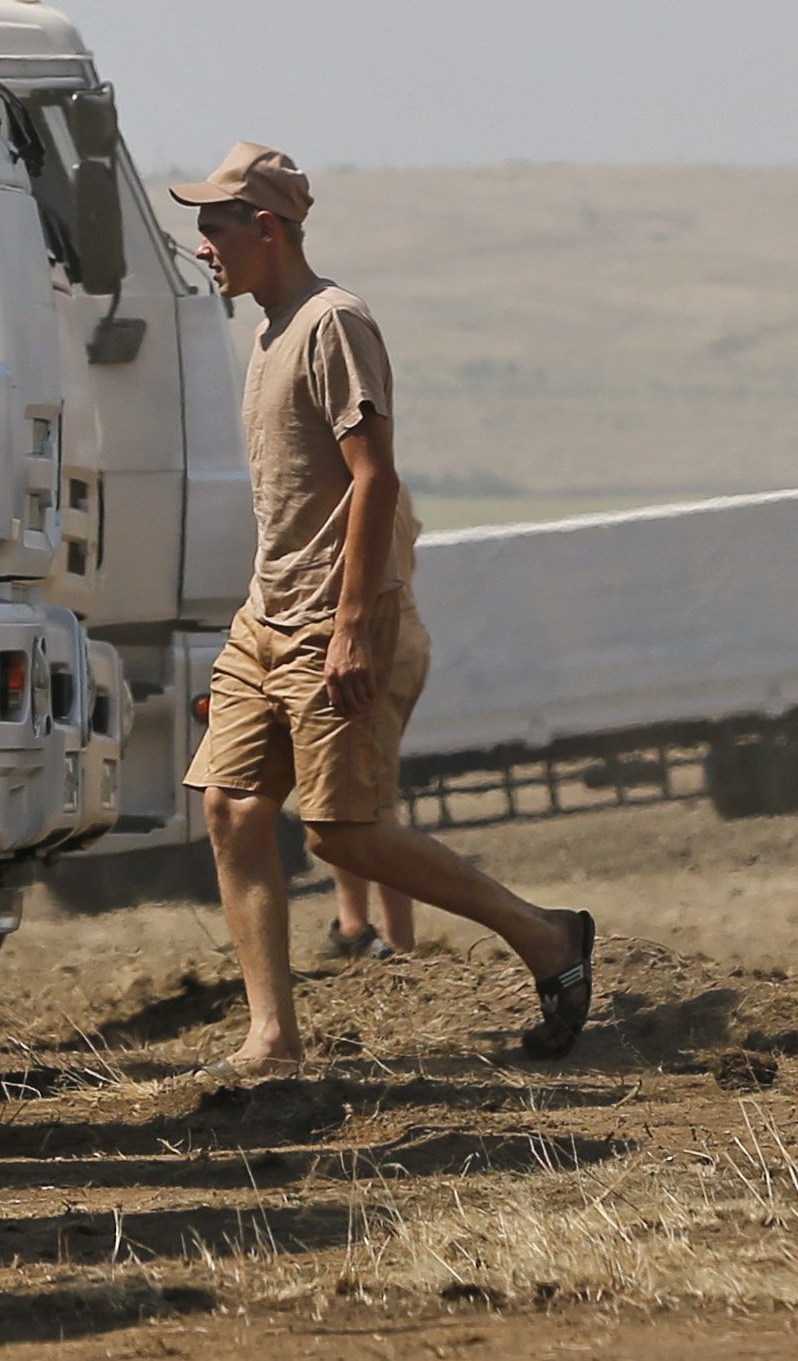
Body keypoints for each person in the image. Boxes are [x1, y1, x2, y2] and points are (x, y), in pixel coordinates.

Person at [174, 144, 592, 1071]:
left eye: (214, 227)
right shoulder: (270, 326)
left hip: (333, 618)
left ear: (266, 229)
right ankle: (272, 1037)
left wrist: (357, 624)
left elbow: (375, 476)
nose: (202, 246)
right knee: (232, 810)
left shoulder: (333, 322)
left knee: (343, 834)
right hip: (266, 616)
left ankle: (546, 936)